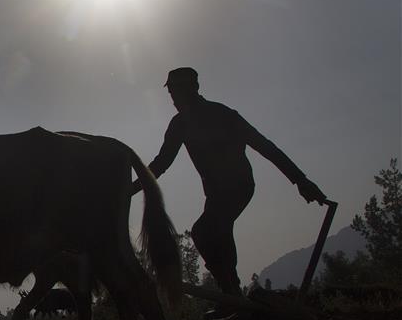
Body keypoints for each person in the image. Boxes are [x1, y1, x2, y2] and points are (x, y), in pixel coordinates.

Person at [134, 67, 327, 306]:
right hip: (215, 193)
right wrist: (131, 189)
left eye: (176, 92)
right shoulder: (180, 124)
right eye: (171, 92)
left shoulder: (223, 115)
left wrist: (300, 180)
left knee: (207, 231)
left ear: (192, 89)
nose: (173, 98)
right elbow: (162, 163)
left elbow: (265, 147)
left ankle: (232, 295)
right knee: (213, 233)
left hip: (239, 186)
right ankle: (232, 295)